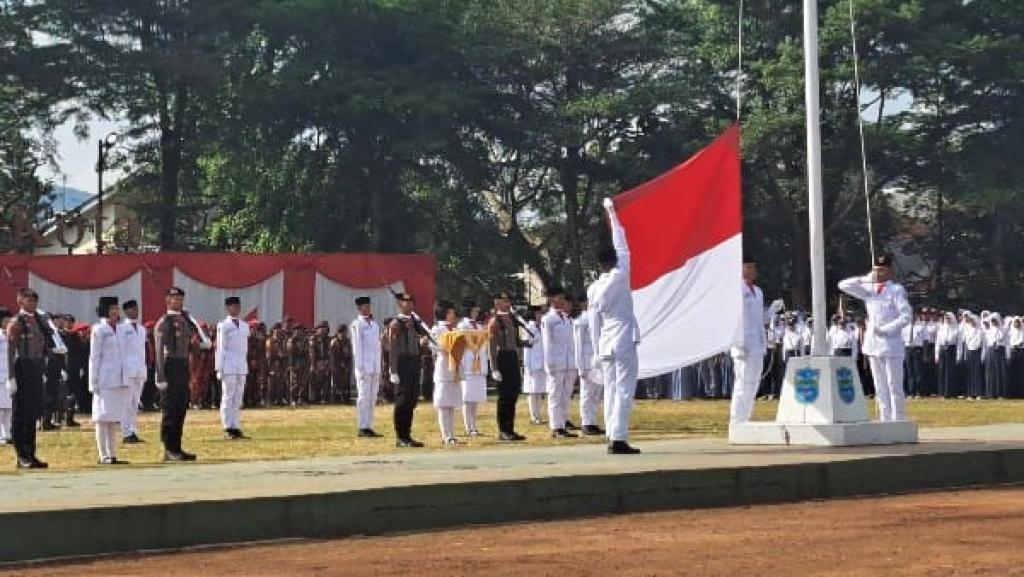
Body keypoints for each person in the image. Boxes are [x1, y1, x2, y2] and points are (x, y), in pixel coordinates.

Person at [589, 198, 641, 454]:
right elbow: (623, 246)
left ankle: (612, 433)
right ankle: (618, 438)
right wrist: (612, 213)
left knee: (610, 390)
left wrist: (596, 351)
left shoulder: (594, 288)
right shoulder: (620, 276)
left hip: (606, 341)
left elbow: (593, 321)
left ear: (598, 264)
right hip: (622, 338)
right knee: (623, 389)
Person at [838, 255, 913, 422]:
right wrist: (865, 278)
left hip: (891, 344)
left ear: (889, 272)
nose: (878, 273)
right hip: (873, 345)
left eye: (882, 270)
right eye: (876, 270)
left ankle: (898, 419)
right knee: (879, 387)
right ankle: (885, 419)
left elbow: (906, 316)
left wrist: (886, 329)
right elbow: (843, 285)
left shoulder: (896, 290)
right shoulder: (868, 290)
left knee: (894, 385)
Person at [6, 288, 57, 468]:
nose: (32, 304)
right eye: (28, 301)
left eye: (34, 301)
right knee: (20, 413)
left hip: (36, 367)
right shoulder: (17, 322)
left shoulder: (39, 320)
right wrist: (11, 377)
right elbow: (11, 351)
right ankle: (21, 455)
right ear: (20, 302)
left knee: (33, 413)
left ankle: (31, 453)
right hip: (22, 367)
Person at [155, 286, 207, 462]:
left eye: (180, 299)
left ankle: (177, 446)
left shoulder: (185, 319)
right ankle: (169, 448)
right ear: (167, 300)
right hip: (170, 366)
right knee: (170, 408)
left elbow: (197, 343)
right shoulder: (165, 321)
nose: (178, 302)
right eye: (174, 299)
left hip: (183, 364)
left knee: (181, 406)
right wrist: (160, 374)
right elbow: (159, 349)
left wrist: (192, 320)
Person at [730, 256, 783, 425]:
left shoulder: (758, 291)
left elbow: (761, 318)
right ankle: (736, 419)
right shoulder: (736, 289)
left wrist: (773, 310)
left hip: (758, 345)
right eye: (748, 267)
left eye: (754, 267)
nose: (752, 270)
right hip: (743, 345)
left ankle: (745, 418)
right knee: (742, 383)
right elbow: (732, 318)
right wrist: (737, 342)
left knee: (752, 384)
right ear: (740, 268)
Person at [89, 296, 131, 465]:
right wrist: (93, 380)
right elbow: (94, 356)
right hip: (104, 378)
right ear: (105, 310)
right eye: (112, 308)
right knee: (101, 417)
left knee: (113, 417)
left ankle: (112, 453)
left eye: (116, 307)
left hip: (119, 378)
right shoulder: (98, 329)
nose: (115, 311)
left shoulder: (121, 329)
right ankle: (102, 454)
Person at [387, 292, 426, 448]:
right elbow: (393, 348)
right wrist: (393, 370)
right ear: (399, 304)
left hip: (414, 362)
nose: (409, 305)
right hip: (402, 363)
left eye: (411, 302)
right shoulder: (396, 323)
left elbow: (419, 339)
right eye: (405, 302)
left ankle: (407, 434)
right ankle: (401, 436)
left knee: (411, 399)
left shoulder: (415, 322)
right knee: (402, 401)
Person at [488, 292, 527, 442]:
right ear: (497, 304)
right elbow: (491, 346)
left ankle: (510, 428)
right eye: (504, 301)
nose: (508, 304)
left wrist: (526, 343)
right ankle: (503, 430)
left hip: (512, 356)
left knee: (514, 392)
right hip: (502, 357)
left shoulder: (512, 319)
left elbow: (516, 340)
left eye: (508, 301)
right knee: (504, 395)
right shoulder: (495, 321)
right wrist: (494, 368)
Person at [542, 286, 577, 439]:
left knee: (566, 394)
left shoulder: (567, 319)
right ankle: (556, 426)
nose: (563, 301)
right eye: (560, 298)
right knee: (555, 394)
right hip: (556, 362)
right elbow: (547, 343)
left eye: (563, 298)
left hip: (569, 362)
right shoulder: (548, 319)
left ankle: (563, 422)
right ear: (552, 299)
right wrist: (549, 364)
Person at [215, 296, 250, 440]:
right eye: (233, 306)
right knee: (228, 396)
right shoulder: (223, 325)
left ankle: (236, 425)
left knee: (238, 397)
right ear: (227, 308)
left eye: (238, 306)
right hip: (228, 364)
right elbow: (220, 348)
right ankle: (227, 427)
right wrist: (219, 368)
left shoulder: (244, 325)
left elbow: (245, 348)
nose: (236, 309)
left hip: (241, 364)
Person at [350, 297, 383, 438]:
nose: (368, 308)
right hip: (364, 366)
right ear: (359, 308)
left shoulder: (374, 325)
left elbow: (377, 347)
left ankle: (369, 426)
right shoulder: (357, 325)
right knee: (364, 397)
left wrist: (379, 365)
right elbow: (357, 347)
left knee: (372, 397)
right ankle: (362, 427)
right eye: (365, 306)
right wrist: (360, 367)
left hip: (375, 365)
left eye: (369, 306)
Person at [573, 292, 605, 436]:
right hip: (586, 362)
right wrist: (579, 366)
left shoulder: (598, 319)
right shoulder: (581, 321)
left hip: (597, 362)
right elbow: (578, 346)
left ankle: (593, 421)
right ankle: (586, 422)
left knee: (596, 394)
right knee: (586, 394)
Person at [430, 302, 462, 445]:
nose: (453, 315)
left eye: (453, 313)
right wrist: (445, 347)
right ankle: (445, 435)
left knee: (451, 403)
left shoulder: (456, 329)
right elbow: (433, 346)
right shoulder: (437, 329)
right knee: (443, 403)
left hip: (454, 367)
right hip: (443, 367)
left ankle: (452, 433)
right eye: (450, 313)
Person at [456, 300, 488, 436]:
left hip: (478, 365)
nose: (476, 313)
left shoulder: (479, 327)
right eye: (474, 310)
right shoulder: (462, 325)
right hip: (468, 364)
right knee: (467, 398)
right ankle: (468, 426)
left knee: (475, 399)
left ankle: (474, 425)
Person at [119, 300, 147, 444]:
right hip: (128, 370)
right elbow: (121, 351)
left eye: (137, 309)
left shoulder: (142, 329)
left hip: (139, 369)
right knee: (126, 402)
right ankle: (126, 432)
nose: (136, 311)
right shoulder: (122, 328)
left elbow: (142, 351)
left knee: (135, 402)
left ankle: (133, 430)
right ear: (126, 312)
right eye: (133, 309)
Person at [522, 305, 546, 425]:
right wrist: (527, 365)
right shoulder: (528, 327)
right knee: (532, 391)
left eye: (541, 314)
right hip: (532, 362)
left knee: (540, 390)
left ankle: (538, 414)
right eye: (538, 314)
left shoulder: (542, 327)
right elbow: (526, 347)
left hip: (542, 362)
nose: (540, 316)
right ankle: (533, 415)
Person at [982, 313, 1007, 399]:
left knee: (999, 373)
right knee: (991, 373)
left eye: (995, 321)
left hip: (999, 352)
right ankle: (991, 393)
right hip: (991, 352)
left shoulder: (1003, 330)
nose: (993, 322)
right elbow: (987, 343)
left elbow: (1004, 341)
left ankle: (1000, 393)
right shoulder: (989, 331)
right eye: (992, 321)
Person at [245, 321, 268, 407]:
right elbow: (248, 351)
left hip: (258, 364)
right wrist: (252, 359)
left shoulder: (260, 339)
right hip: (249, 364)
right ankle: (247, 400)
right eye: (258, 329)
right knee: (248, 383)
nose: (260, 331)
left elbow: (262, 351)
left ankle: (255, 400)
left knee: (257, 382)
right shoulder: (248, 339)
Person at [329, 323, 353, 404]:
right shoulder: (334, 342)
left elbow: (349, 355)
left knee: (346, 382)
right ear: (338, 333)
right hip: (336, 365)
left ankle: (346, 398)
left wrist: (347, 366)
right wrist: (336, 366)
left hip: (346, 365)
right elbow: (332, 356)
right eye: (341, 333)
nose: (343, 334)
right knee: (337, 383)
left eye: (344, 332)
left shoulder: (347, 341)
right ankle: (337, 399)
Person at [265, 323, 288, 406]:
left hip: (281, 364)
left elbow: (286, 352)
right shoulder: (270, 341)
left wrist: (283, 355)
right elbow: (269, 355)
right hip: (273, 364)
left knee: (281, 383)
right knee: (272, 384)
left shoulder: (283, 341)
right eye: (276, 329)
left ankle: (279, 399)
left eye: (279, 329)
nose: (278, 331)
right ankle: (270, 400)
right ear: (273, 331)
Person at [309, 321, 332, 404]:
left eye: (325, 328)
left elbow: (330, 353)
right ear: (317, 330)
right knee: (315, 380)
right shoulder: (313, 339)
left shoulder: (328, 340)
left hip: (325, 361)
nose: (323, 330)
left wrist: (328, 364)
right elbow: (311, 354)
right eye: (321, 328)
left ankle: (325, 398)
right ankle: (315, 398)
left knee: (326, 380)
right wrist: (313, 365)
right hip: (315, 361)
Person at [0, 309, 12, 445]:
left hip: (9, 376)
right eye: (5, 320)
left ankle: (8, 434)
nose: (8, 322)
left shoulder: (10, 335)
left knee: (8, 408)